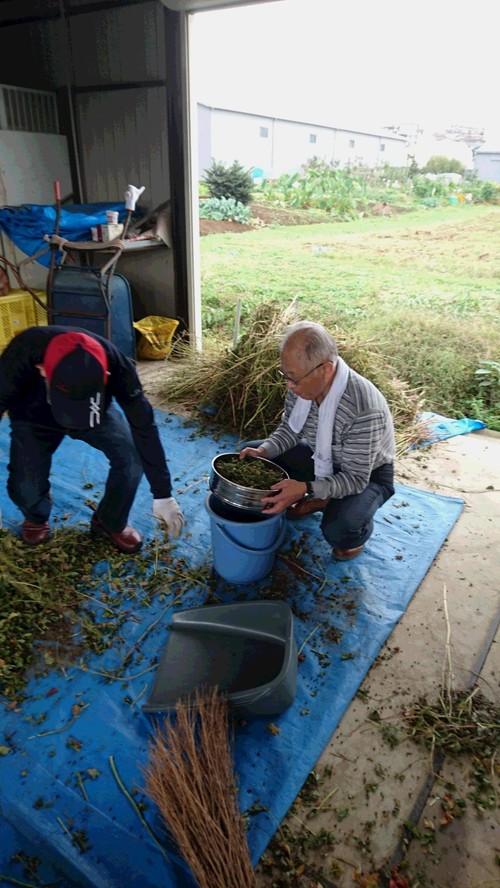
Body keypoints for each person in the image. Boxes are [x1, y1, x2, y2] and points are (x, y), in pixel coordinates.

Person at [0, 326, 184, 552]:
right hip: (33, 415)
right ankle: (36, 514)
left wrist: (162, 493)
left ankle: (109, 521)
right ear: (43, 371)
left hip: (94, 414)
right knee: (25, 485)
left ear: (105, 377)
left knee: (130, 456)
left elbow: (144, 427)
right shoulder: (21, 353)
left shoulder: (117, 366)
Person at [240, 321, 395, 561]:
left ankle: (351, 530)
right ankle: (321, 498)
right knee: (248, 458)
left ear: (326, 370)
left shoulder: (363, 408)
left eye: (295, 379)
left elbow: (354, 478)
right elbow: (289, 431)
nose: (289, 386)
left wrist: (305, 488)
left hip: (367, 474)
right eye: (286, 376)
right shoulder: (302, 386)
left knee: (339, 530)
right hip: (323, 457)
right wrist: (263, 450)